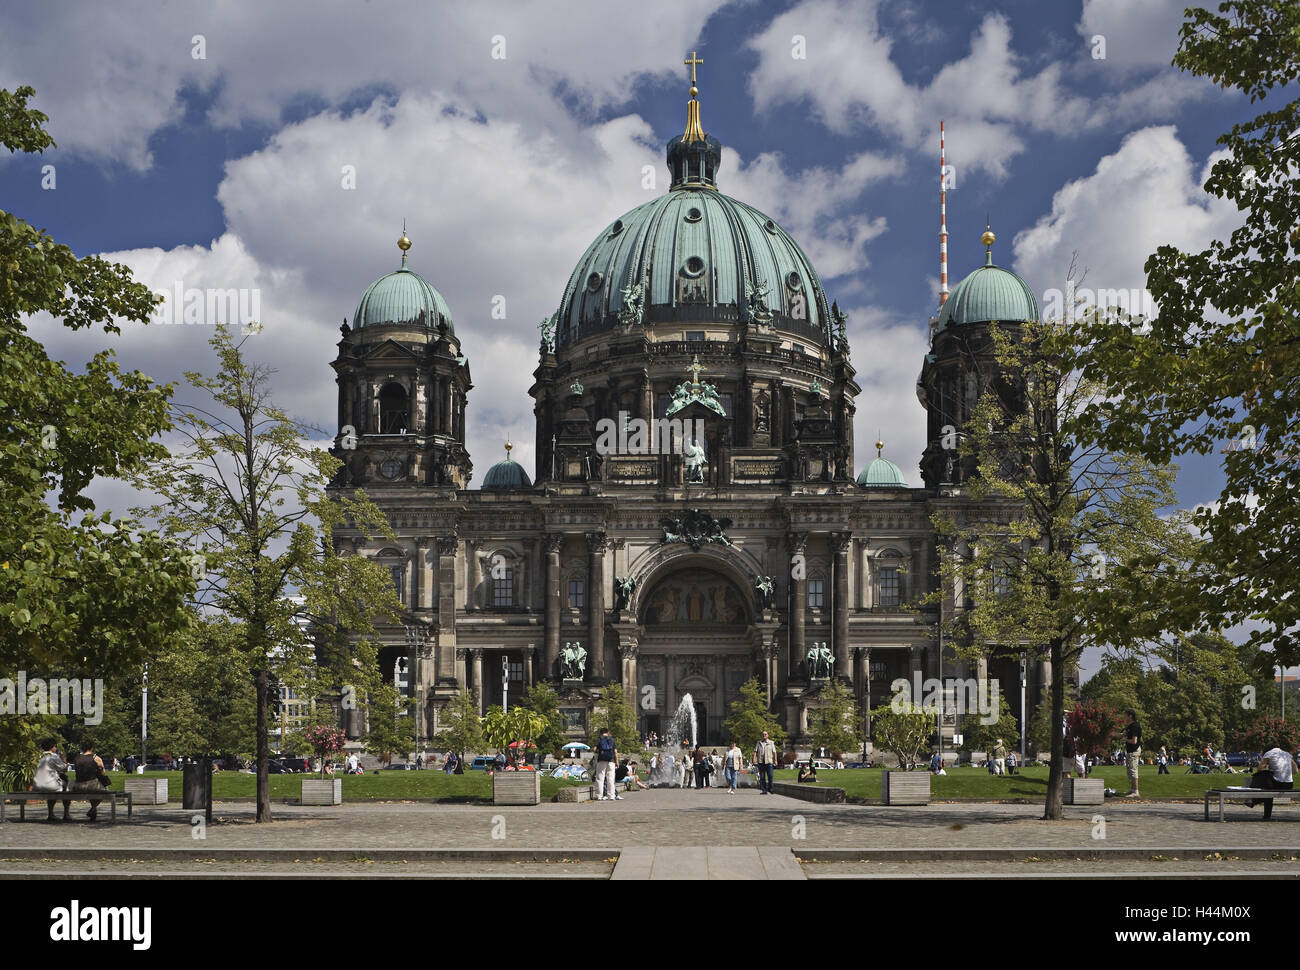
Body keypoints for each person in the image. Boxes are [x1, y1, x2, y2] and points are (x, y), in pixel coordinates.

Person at [1246, 746, 1296, 819]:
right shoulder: (1287, 754)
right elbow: (1295, 771)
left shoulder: (1269, 753)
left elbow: (1259, 769)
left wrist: (1266, 764)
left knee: (1263, 776)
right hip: (1289, 785)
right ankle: (1255, 803)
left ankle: (1254, 800)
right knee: (1268, 789)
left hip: (1278, 784)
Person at [71, 740, 110, 822]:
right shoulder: (96, 758)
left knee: (94, 789)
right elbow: (103, 772)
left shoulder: (77, 758)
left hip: (78, 785)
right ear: (92, 748)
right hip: (91, 784)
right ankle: (93, 808)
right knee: (105, 789)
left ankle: (93, 812)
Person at [33, 739, 69, 823]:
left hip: (37, 784)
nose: (56, 748)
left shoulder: (38, 756)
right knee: (66, 785)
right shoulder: (54, 756)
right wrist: (64, 759)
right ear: (52, 747)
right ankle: (66, 814)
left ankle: (51, 814)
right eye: (55, 746)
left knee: (52, 788)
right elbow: (64, 769)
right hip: (50, 785)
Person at [594, 728, 621, 801]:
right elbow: (615, 752)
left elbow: (594, 749)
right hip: (611, 761)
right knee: (611, 779)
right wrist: (617, 762)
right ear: (607, 732)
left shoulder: (599, 739)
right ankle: (611, 796)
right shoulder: (612, 739)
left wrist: (598, 751)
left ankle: (599, 796)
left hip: (601, 760)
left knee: (600, 778)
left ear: (601, 733)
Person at [1123, 709, 1142, 797]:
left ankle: (1136, 792)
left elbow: (1134, 741)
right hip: (1130, 751)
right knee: (1130, 771)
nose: (1124, 717)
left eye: (1125, 715)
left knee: (1133, 770)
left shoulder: (1135, 726)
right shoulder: (1129, 726)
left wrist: (1125, 739)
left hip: (1134, 750)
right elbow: (1122, 734)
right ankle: (1132, 790)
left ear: (1130, 716)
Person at [753, 731, 777, 795]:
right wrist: (754, 759)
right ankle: (764, 790)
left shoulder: (771, 743)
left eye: (765, 734)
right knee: (762, 777)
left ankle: (771, 789)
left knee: (770, 776)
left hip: (769, 761)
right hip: (761, 761)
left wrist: (775, 760)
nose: (764, 735)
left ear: (767, 735)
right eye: (763, 734)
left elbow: (774, 752)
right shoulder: (758, 743)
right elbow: (755, 751)